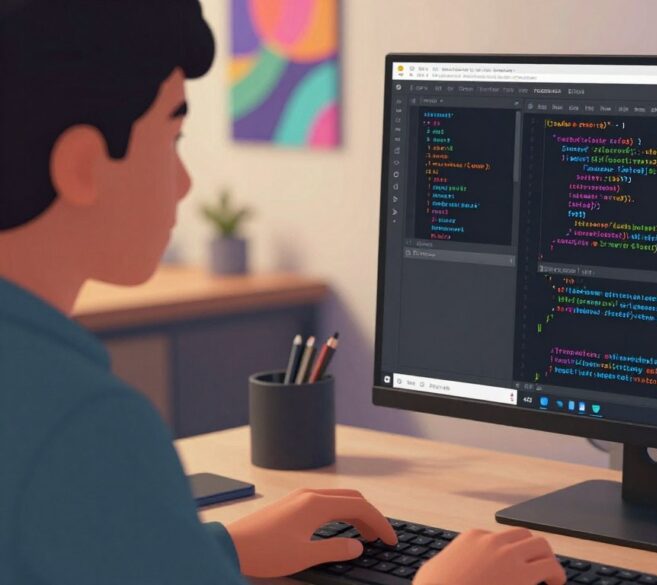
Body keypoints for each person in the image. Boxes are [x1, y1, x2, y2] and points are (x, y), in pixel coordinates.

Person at [0, 1, 566, 584]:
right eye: (174, 134)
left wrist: (214, 552)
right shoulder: (84, 428)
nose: (187, 181)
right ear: (83, 165)